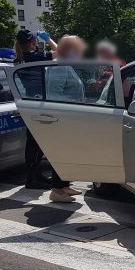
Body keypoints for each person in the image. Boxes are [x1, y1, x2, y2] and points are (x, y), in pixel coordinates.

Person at [14, 29, 58, 190]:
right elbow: (61, 52)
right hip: (37, 103)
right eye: (35, 40)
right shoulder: (32, 57)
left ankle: (35, 175)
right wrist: (48, 38)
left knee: (35, 142)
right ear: (31, 42)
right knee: (35, 142)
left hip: (31, 102)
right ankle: (32, 179)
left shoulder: (21, 58)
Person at [46, 35, 87, 203]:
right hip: (63, 119)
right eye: (77, 51)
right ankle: (57, 189)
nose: (80, 54)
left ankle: (64, 186)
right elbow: (54, 95)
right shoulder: (59, 67)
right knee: (62, 154)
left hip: (70, 117)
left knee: (68, 153)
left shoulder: (64, 65)